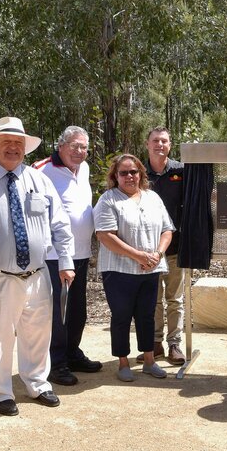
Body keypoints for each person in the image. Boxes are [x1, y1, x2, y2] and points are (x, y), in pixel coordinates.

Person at [0, 117, 74, 416]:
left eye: (18, 143)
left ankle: (37, 383)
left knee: (37, 333)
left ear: (25, 148)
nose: (12, 148)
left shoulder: (40, 180)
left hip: (38, 275)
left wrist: (65, 262)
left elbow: (61, 224)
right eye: (6, 143)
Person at [95, 154, 174, 382]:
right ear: (115, 176)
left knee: (147, 315)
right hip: (118, 271)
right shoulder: (108, 200)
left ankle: (149, 361)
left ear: (141, 173)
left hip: (150, 269)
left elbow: (167, 230)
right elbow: (105, 236)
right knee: (121, 316)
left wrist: (157, 254)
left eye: (134, 171)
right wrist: (138, 255)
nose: (130, 176)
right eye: (123, 173)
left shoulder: (153, 198)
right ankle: (122, 363)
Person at [34, 126, 103, 386]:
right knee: (58, 313)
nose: (79, 152)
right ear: (60, 145)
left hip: (82, 253)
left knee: (77, 311)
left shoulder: (83, 169)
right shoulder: (41, 169)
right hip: (54, 256)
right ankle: (56, 362)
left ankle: (73, 353)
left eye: (84, 147)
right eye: (74, 146)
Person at [143, 127, 186, 366]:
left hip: (175, 249)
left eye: (164, 141)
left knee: (175, 300)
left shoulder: (181, 171)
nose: (160, 144)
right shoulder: (138, 173)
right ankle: (155, 343)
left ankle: (174, 344)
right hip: (146, 251)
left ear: (170, 144)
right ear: (148, 144)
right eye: (155, 141)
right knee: (153, 299)